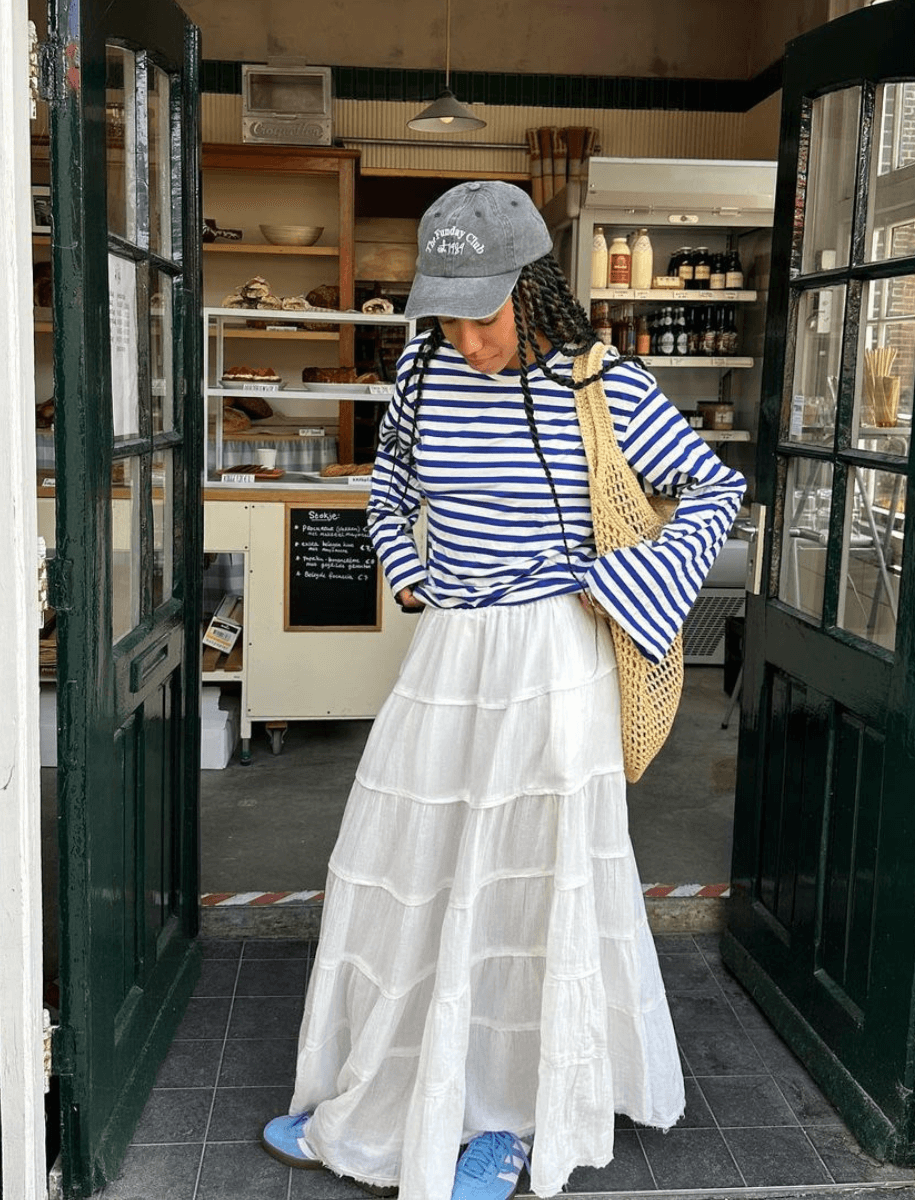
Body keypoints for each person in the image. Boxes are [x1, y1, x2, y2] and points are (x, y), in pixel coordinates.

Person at [263, 181, 746, 1200]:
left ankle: (510, 1117)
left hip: (553, 663)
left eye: (480, 317)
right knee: (411, 862)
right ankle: (388, 1082)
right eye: (445, 313)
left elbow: (715, 488)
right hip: (449, 657)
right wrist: (399, 556)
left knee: (528, 888)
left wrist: (621, 582)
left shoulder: (600, 386)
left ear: (533, 292)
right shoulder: (427, 368)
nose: (464, 338)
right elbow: (390, 480)